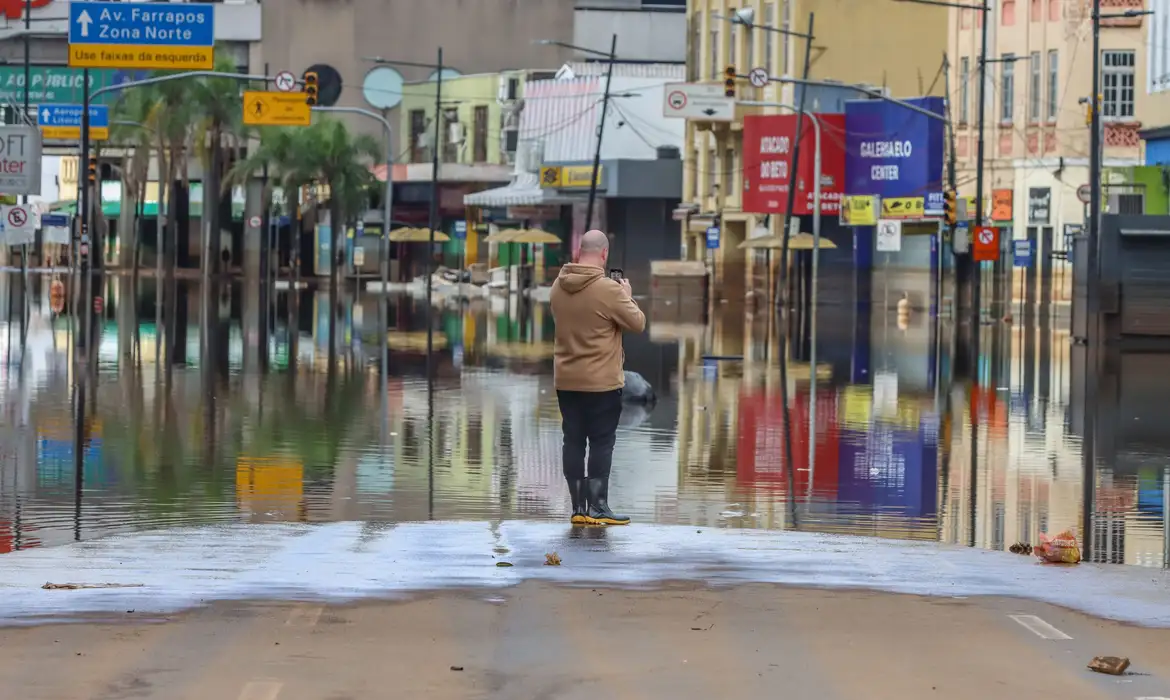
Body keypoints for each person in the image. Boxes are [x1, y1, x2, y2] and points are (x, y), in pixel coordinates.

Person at [549, 229, 645, 526]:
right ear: (604, 254)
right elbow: (637, 323)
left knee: (573, 441)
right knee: (602, 442)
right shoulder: (609, 289)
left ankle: (578, 509)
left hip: (566, 380)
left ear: (580, 251)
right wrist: (626, 296)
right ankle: (599, 507)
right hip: (602, 383)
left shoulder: (558, 286)